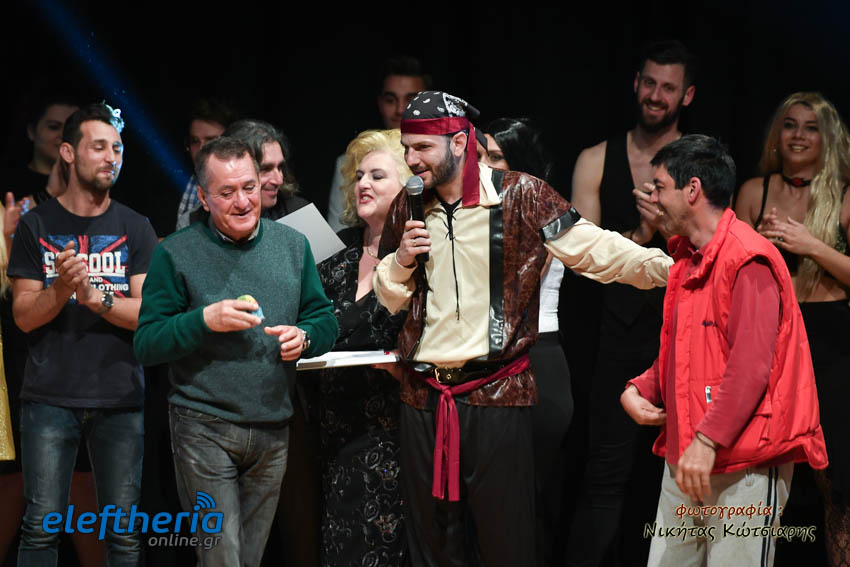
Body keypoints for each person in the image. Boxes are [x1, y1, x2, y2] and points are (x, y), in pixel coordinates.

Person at [373, 90, 673, 567]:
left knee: (506, 543)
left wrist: (674, 270)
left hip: (497, 395)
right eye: (407, 147)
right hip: (423, 399)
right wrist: (402, 261)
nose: (411, 160)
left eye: (423, 147)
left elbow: (597, 251)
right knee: (434, 546)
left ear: (459, 143)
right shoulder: (407, 206)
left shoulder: (521, 195)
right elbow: (389, 298)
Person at [621, 134, 828, 567]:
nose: (652, 198)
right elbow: (686, 350)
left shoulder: (748, 258)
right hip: (690, 457)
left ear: (692, 190)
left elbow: (750, 368)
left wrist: (707, 441)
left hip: (744, 462)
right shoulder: (687, 259)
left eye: (660, 187)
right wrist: (642, 387)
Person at [133, 136, 338, 566]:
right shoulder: (175, 253)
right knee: (222, 559)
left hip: (273, 426)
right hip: (203, 425)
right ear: (204, 198)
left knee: (249, 558)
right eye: (227, 192)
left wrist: (305, 338)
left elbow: (323, 319)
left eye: (249, 187)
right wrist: (203, 320)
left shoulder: (293, 244)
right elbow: (147, 343)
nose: (243, 202)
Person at [8, 102, 158, 565]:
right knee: (40, 528)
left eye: (118, 148)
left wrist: (95, 298)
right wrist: (61, 289)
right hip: (49, 397)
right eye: (99, 147)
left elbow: (148, 314)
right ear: (69, 153)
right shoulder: (36, 224)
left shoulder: (136, 226)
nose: (112, 157)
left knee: (124, 535)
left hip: (119, 396)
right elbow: (23, 316)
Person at [567, 39, 696, 566]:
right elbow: (582, 260)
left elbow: (717, 249)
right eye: (649, 83)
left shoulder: (701, 161)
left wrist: (667, 228)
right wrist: (643, 233)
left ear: (687, 95)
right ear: (635, 84)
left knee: (681, 478)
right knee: (605, 477)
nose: (656, 95)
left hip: (688, 334)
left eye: (669, 87)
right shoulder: (596, 158)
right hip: (617, 340)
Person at [735, 92, 850, 567]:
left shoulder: (845, 194)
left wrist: (810, 244)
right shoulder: (753, 192)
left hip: (830, 341)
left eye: (811, 127)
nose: (798, 135)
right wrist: (754, 249)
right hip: (770, 339)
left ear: (828, 139)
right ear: (775, 136)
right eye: (789, 125)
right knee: (760, 475)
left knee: (836, 482)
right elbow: (728, 277)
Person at [314, 129, 410, 566]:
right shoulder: (336, 255)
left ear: (408, 187)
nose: (363, 184)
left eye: (377, 175)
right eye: (359, 176)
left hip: (393, 424)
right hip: (336, 423)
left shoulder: (419, 256)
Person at [478, 117, 571, 567]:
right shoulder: (478, 209)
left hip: (536, 362)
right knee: (498, 509)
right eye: (479, 156)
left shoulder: (542, 210)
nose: (483, 166)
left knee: (525, 508)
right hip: (498, 362)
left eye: (495, 157)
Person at [325, 55, 430, 232]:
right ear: (380, 103)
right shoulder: (349, 162)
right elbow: (337, 231)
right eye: (390, 100)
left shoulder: (438, 163)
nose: (400, 109)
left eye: (411, 100)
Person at [174, 97, 238, 231]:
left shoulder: (242, 186)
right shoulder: (189, 183)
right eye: (195, 141)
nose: (201, 148)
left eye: (211, 140)